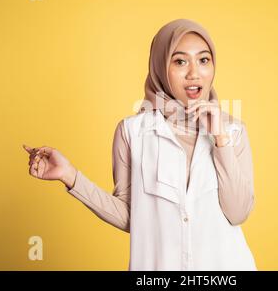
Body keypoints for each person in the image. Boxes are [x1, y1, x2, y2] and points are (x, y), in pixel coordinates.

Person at [23, 19, 257, 271]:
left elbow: (238, 212)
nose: (194, 73)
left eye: (203, 60)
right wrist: (71, 177)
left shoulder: (233, 130)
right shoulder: (132, 132)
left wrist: (220, 139)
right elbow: (132, 217)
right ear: (159, 66)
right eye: (180, 61)